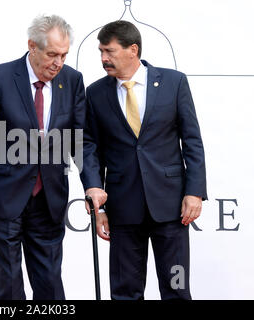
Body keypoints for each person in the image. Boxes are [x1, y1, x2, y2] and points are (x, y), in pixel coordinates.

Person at [0, 15, 95, 300]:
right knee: (8, 286)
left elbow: (80, 140)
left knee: (50, 285)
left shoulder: (72, 80)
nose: (58, 63)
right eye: (52, 54)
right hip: (5, 198)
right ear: (32, 47)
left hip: (49, 200)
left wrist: (93, 184)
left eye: (63, 55)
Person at [81, 20, 207, 300]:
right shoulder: (96, 93)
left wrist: (194, 192)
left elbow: (192, 141)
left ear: (132, 50)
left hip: (172, 209)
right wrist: (96, 201)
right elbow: (89, 148)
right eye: (100, 51)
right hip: (123, 209)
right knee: (125, 292)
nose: (103, 58)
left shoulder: (174, 82)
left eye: (109, 51)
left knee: (176, 287)